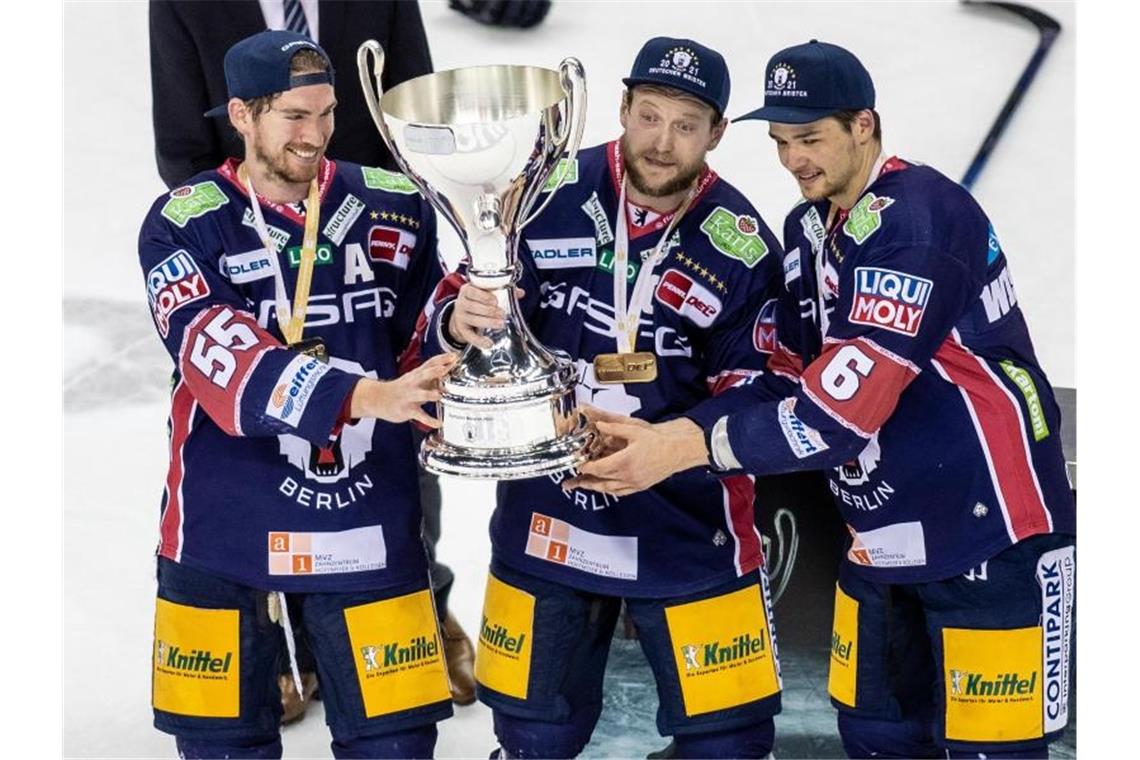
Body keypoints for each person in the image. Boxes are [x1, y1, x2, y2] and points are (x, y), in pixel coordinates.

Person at [568, 39, 1076, 759]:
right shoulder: (806, 234)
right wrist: (649, 426)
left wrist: (678, 447)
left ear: (864, 125)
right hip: (878, 540)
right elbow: (780, 379)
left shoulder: (922, 221)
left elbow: (838, 416)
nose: (793, 159)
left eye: (809, 138)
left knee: (996, 751)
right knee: (872, 739)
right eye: (779, 141)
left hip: (992, 531)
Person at [409, 37, 787, 759]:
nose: (662, 142)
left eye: (684, 125)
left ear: (716, 134)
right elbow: (450, 306)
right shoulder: (542, 192)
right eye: (648, 116)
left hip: (686, 528)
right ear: (620, 109)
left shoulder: (741, 248)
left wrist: (672, 448)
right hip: (548, 518)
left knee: (729, 745)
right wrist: (456, 319)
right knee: (531, 738)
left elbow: (757, 394)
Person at [149, 0, 479, 712]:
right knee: (242, 454)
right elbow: (181, 140)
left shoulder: (391, 209)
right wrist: (257, 230)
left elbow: (411, 110)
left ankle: (420, 598)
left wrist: (448, 303)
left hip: (364, 225)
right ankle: (270, 638)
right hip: (246, 242)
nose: (315, 130)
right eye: (298, 115)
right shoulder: (188, 219)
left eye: (319, 115)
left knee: (392, 453)